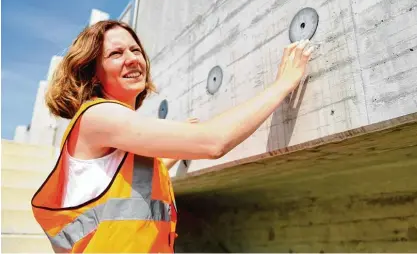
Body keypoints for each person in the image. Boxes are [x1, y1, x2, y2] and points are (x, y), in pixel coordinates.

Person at [31, 20, 313, 253]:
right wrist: (283, 83)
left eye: (135, 50)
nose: (132, 59)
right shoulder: (97, 117)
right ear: (92, 74)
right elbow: (213, 142)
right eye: (116, 54)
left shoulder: (118, 138)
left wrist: (175, 150)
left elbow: (130, 187)